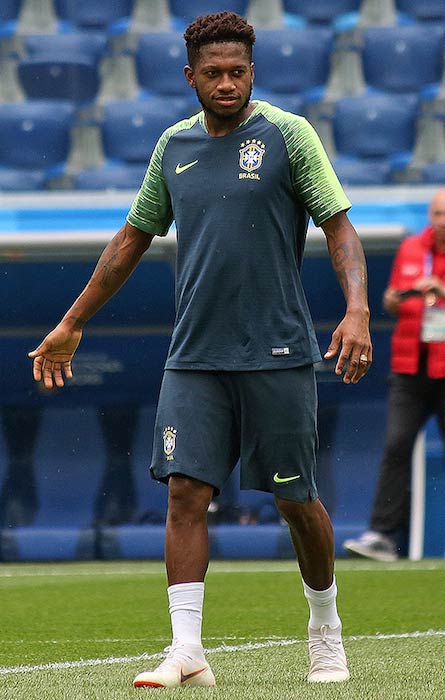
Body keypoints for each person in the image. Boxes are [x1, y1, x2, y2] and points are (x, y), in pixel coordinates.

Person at [28, 12, 372, 689]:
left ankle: (324, 629)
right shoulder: (172, 146)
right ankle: (187, 650)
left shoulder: (287, 135)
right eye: (211, 73)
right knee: (185, 492)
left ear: (252, 72)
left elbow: (339, 230)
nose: (224, 83)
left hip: (275, 350)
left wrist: (357, 309)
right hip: (194, 357)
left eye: (235, 72)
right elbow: (130, 240)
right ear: (189, 76)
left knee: (295, 499)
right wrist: (72, 323)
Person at [344, 188, 445, 563]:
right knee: (396, 447)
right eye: (436, 214)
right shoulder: (412, 248)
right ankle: (383, 535)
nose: (441, 221)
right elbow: (391, 297)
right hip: (410, 367)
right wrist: (394, 298)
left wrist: (441, 289)